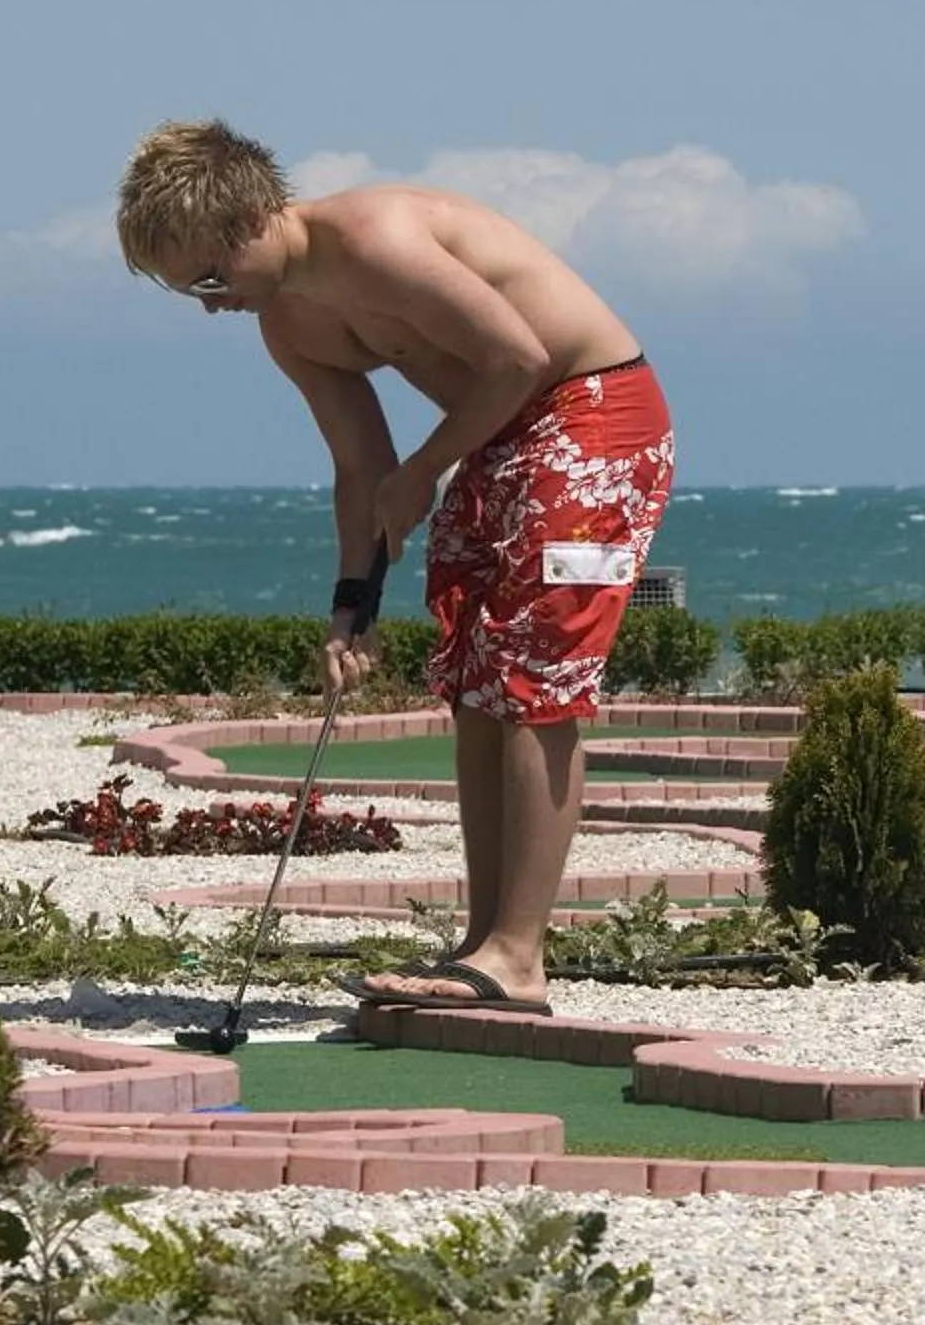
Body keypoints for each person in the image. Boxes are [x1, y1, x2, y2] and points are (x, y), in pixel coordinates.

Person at [116, 119, 677, 1015]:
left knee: (534, 676)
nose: (212, 304)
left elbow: (517, 359)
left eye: (213, 279)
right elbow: (359, 470)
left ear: (253, 220)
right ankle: (483, 943)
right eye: (192, 294)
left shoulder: (377, 241)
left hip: (592, 414)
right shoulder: (289, 326)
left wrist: (424, 472)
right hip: (495, 436)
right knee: (473, 678)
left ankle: (518, 957)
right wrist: (352, 608)